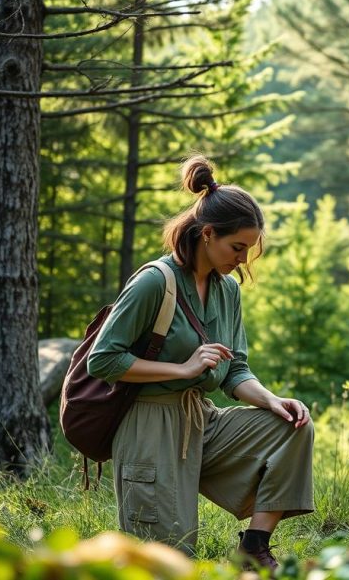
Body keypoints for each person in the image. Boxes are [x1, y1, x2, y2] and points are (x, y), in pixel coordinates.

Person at [87, 155, 314, 573]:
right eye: (238, 247)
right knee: (171, 559)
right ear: (208, 234)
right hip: (148, 426)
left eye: (250, 249)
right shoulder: (155, 281)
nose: (243, 259)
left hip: (201, 421)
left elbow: (236, 370)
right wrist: (183, 369)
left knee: (292, 426)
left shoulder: (228, 290)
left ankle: (254, 546)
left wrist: (271, 399)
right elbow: (103, 360)